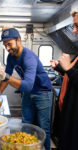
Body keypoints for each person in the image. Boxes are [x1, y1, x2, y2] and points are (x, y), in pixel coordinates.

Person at [0, 28, 52, 150]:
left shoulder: (28, 57)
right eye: (5, 45)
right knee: (26, 123)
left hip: (43, 92)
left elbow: (27, 85)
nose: (7, 48)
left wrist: (5, 76)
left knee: (43, 127)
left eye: (9, 44)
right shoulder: (10, 57)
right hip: (28, 92)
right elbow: (6, 79)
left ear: (18, 40)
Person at [50, 10, 78, 150]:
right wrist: (60, 68)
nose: (73, 31)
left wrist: (69, 69)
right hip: (67, 115)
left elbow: (73, 73)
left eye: (77, 26)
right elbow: (73, 73)